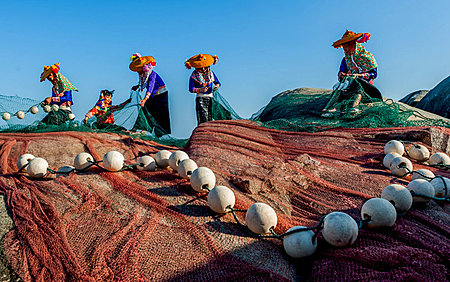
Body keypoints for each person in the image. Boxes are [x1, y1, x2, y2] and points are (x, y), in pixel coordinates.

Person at [323, 30, 381, 116]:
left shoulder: (367, 57)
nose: (345, 51)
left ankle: (354, 106)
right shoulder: (345, 60)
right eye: (343, 48)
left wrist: (359, 75)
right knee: (339, 88)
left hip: (366, 86)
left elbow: (374, 74)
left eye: (346, 48)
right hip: (349, 86)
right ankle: (334, 107)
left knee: (358, 86)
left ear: (353, 45)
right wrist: (341, 75)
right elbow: (341, 71)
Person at [129, 53, 171, 137]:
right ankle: (141, 129)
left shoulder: (152, 74)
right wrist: (137, 86)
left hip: (161, 95)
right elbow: (144, 84)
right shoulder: (143, 75)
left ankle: (162, 135)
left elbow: (150, 87)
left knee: (161, 114)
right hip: (153, 95)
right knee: (146, 110)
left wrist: (145, 99)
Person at [185, 54, 221, 124]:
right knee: (203, 119)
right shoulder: (194, 76)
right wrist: (200, 90)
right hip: (201, 98)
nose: (203, 69)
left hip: (210, 98)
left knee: (210, 117)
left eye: (205, 67)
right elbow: (190, 88)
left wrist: (216, 86)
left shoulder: (211, 73)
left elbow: (218, 83)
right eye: (200, 68)